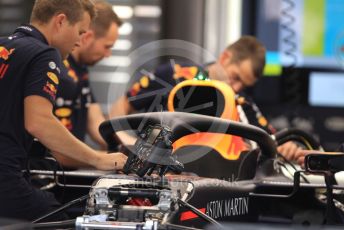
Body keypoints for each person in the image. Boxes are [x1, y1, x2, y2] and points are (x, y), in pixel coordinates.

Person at [0, 0, 125, 221]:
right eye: (79, 32)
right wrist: (98, 159)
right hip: (7, 178)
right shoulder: (45, 54)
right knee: (65, 219)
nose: (80, 41)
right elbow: (38, 122)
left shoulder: (5, 47)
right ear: (60, 21)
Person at [110, 36, 301, 157]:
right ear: (225, 58)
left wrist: (287, 147)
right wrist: (126, 141)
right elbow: (122, 106)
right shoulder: (175, 73)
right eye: (236, 77)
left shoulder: (241, 101)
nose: (236, 87)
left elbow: (270, 138)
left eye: (244, 85)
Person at [50, 0, 125, 168]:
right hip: (48, 177)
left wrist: (131, 147)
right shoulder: (61, 73)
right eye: (107, 46)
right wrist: (107, 159)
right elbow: (60, 151)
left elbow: (97, 123)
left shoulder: (80, 70)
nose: (108, 54)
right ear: (88, 36)